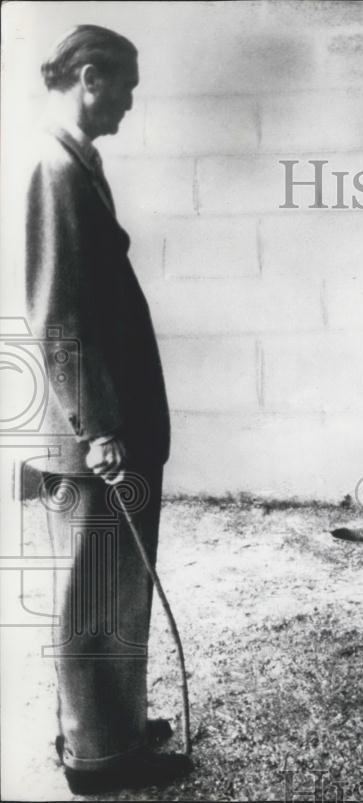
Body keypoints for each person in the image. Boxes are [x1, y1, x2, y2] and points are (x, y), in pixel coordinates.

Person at [25, 25, 192, 794]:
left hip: (109, 427)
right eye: (123, 87)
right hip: (94, 434)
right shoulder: (54, 167)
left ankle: (112, 721)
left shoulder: (77, 162)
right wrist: (95, 427)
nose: (128, 105)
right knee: (97, 592)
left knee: (117, 585)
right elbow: (57, 315)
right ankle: (98, 756)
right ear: (90, 77)